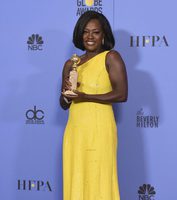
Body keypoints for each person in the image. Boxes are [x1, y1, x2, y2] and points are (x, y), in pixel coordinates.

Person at [60, 10, 128, 200]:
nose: (90, 37)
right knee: (77, 176)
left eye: (95, 32)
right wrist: (68, 95)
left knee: (100, 177)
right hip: (75, 131)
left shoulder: (111, 57)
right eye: (85, 32)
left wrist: (85, 96)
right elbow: (64, 104)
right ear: (79, 34)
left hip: (100, 129)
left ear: (103, 34)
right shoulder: (71, 64)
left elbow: (122, 94)